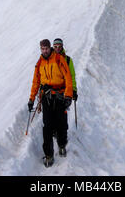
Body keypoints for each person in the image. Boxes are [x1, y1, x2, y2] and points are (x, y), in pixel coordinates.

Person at [28, 39, 73, 167]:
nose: (44, 51)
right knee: (47, 127)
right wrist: (31, 99)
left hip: (60, 97)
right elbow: (36, 82)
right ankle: (49, 154)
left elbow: (68, 77)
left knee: (61, 123)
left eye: (46, 48)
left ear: (50, 48)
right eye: (42, 49)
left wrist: (68, 95)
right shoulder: (39, 63)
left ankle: (62, 144)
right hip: (46, 98)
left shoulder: (59, 59)